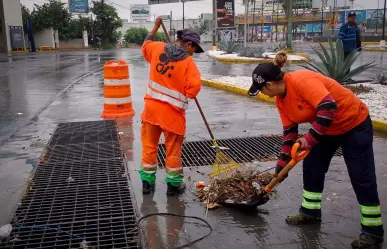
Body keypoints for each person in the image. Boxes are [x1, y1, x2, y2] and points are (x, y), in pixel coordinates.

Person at [247, 51, 384, 249]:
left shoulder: (302, 80)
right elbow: (289, 132)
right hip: (326, 129)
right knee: (312, 167)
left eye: (261, 90)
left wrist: (309, 140)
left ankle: (373, 231)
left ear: (269, 85)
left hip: (354, 124)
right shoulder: (280, 100)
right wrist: (281, 164)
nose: (262, 93)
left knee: (361, 176)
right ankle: (310, 213)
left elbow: (328, 106)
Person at [140, 17, 203, 196]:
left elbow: (145, 45)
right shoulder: (188, 63)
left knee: (149, 146)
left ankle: (146, 183)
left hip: (151, 112)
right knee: (173, 150)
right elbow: (193, 90)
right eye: (194, 49)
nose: (193, 54)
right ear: (188, 44)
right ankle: (173, 186)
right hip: (172, 115)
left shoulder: (157, 47)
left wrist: (155, 27)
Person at [338, 11, 362, 77]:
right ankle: (343, 77)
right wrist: (339, 48)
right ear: (348, 18)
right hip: (345, 49)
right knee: (345, 64)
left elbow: (358, 38)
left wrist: (359, 47)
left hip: (353, 49)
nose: (353, 18)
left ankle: (347, 77)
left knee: (349, 64)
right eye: (351, 17)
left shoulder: (356, 27)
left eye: (354, 17)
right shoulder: (345, 26)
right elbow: (340, 38)